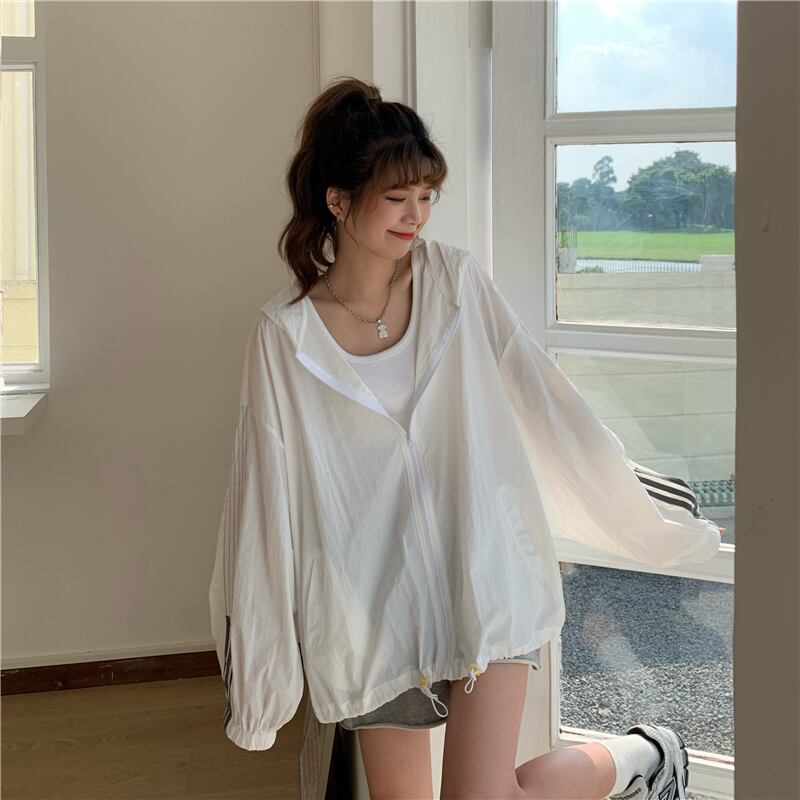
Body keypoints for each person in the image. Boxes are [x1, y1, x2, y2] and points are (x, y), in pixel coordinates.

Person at [209, 76, 725, 800]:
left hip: (485, 566)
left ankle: (647, 757)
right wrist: (262, 683)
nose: (417, 214)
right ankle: (649, 758)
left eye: (427, 195)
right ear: (338, 199)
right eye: (397, 197)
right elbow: (263, 504)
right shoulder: (285, 337)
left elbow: (538, 393)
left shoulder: (453, 282)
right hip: (370, 609)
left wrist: (633, 494)